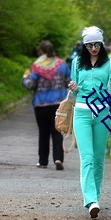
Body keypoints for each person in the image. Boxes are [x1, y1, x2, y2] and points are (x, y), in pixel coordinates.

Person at [68, 26, 111, 218]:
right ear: (84, 45)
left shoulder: (110, 63)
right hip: (81, 113)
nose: (93, 48)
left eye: (97, 44)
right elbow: (74, 91)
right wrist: (73, 87)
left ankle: (95, 196)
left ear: (102, 43)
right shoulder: (76, 63)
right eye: (89, 45)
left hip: (102, 114)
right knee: (87, 158)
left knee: (99, 159)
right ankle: (90, 200)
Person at [22, 40, 71, 170]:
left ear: (41, 52)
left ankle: (43, 161)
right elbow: (69, 82)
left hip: (41, 104)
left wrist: (25, 78)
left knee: (43, 133)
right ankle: (58, 158)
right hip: (58, 104)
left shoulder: (37, 66)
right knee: (57, 132)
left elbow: (30, 85)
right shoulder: (62, 65)